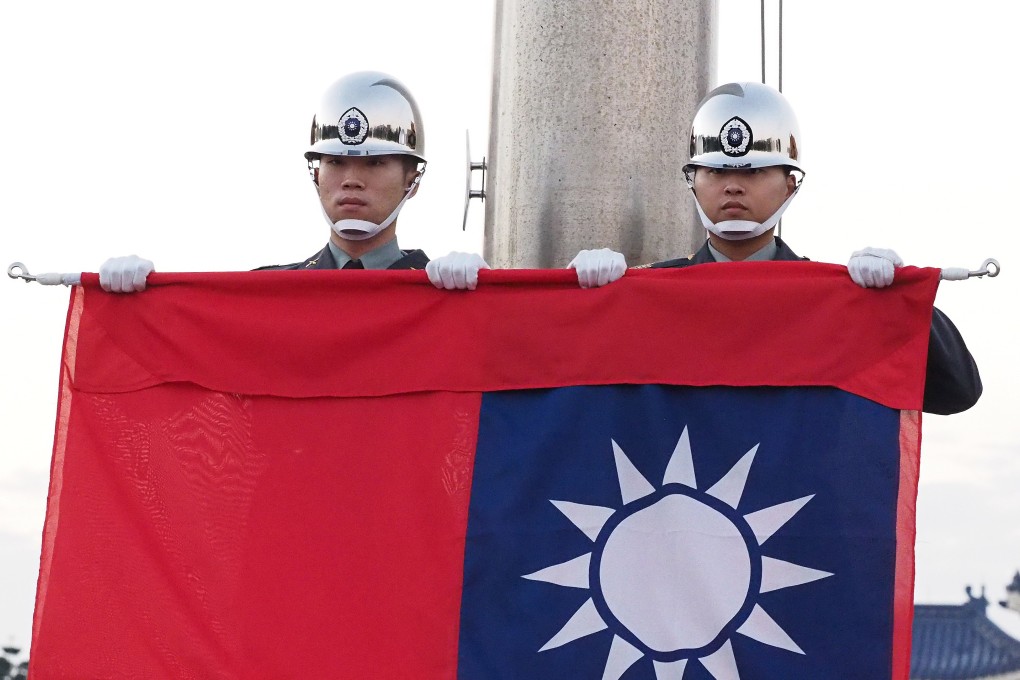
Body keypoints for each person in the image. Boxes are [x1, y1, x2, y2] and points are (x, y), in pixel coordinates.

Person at [568, 82, 981, 415]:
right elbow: (553, 386)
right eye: (716, 170)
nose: (733, 185)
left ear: (789, 183)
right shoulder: (645, 296)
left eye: (754, 171)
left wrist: (901, 304)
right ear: (692, 180)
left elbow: (957, 390)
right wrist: (577, 303)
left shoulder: (834, 300)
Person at [100, 71, 486, 291]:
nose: (351, 180)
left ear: (412, 180)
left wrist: (490, 300)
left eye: (374, 163)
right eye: (335, 161)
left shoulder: (439, 290)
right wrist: (134, 306)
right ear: (316, 174)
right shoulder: (266, 294)